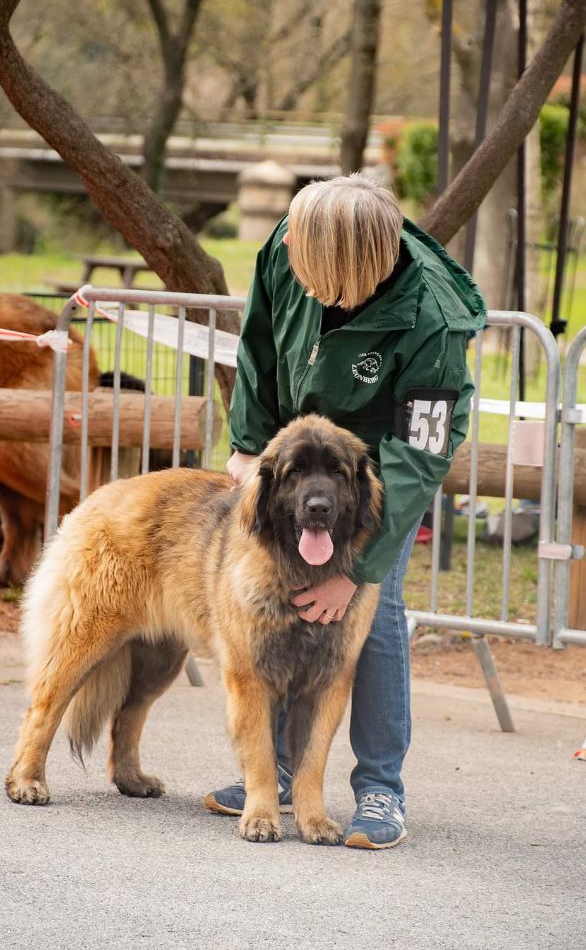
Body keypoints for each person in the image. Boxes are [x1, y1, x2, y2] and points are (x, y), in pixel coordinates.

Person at [203, 173, 487, 848]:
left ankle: (381, 792)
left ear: (347, 260)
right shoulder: (288, 241)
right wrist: (247, 446)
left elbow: (419, 457)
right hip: (298, 449)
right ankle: (265, 775)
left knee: (373, 612)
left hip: (377, 461)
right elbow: (260, 348)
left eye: (307, 257)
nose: (290, 255)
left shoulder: (434, 321)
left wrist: (357, 570)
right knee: (268, 608)